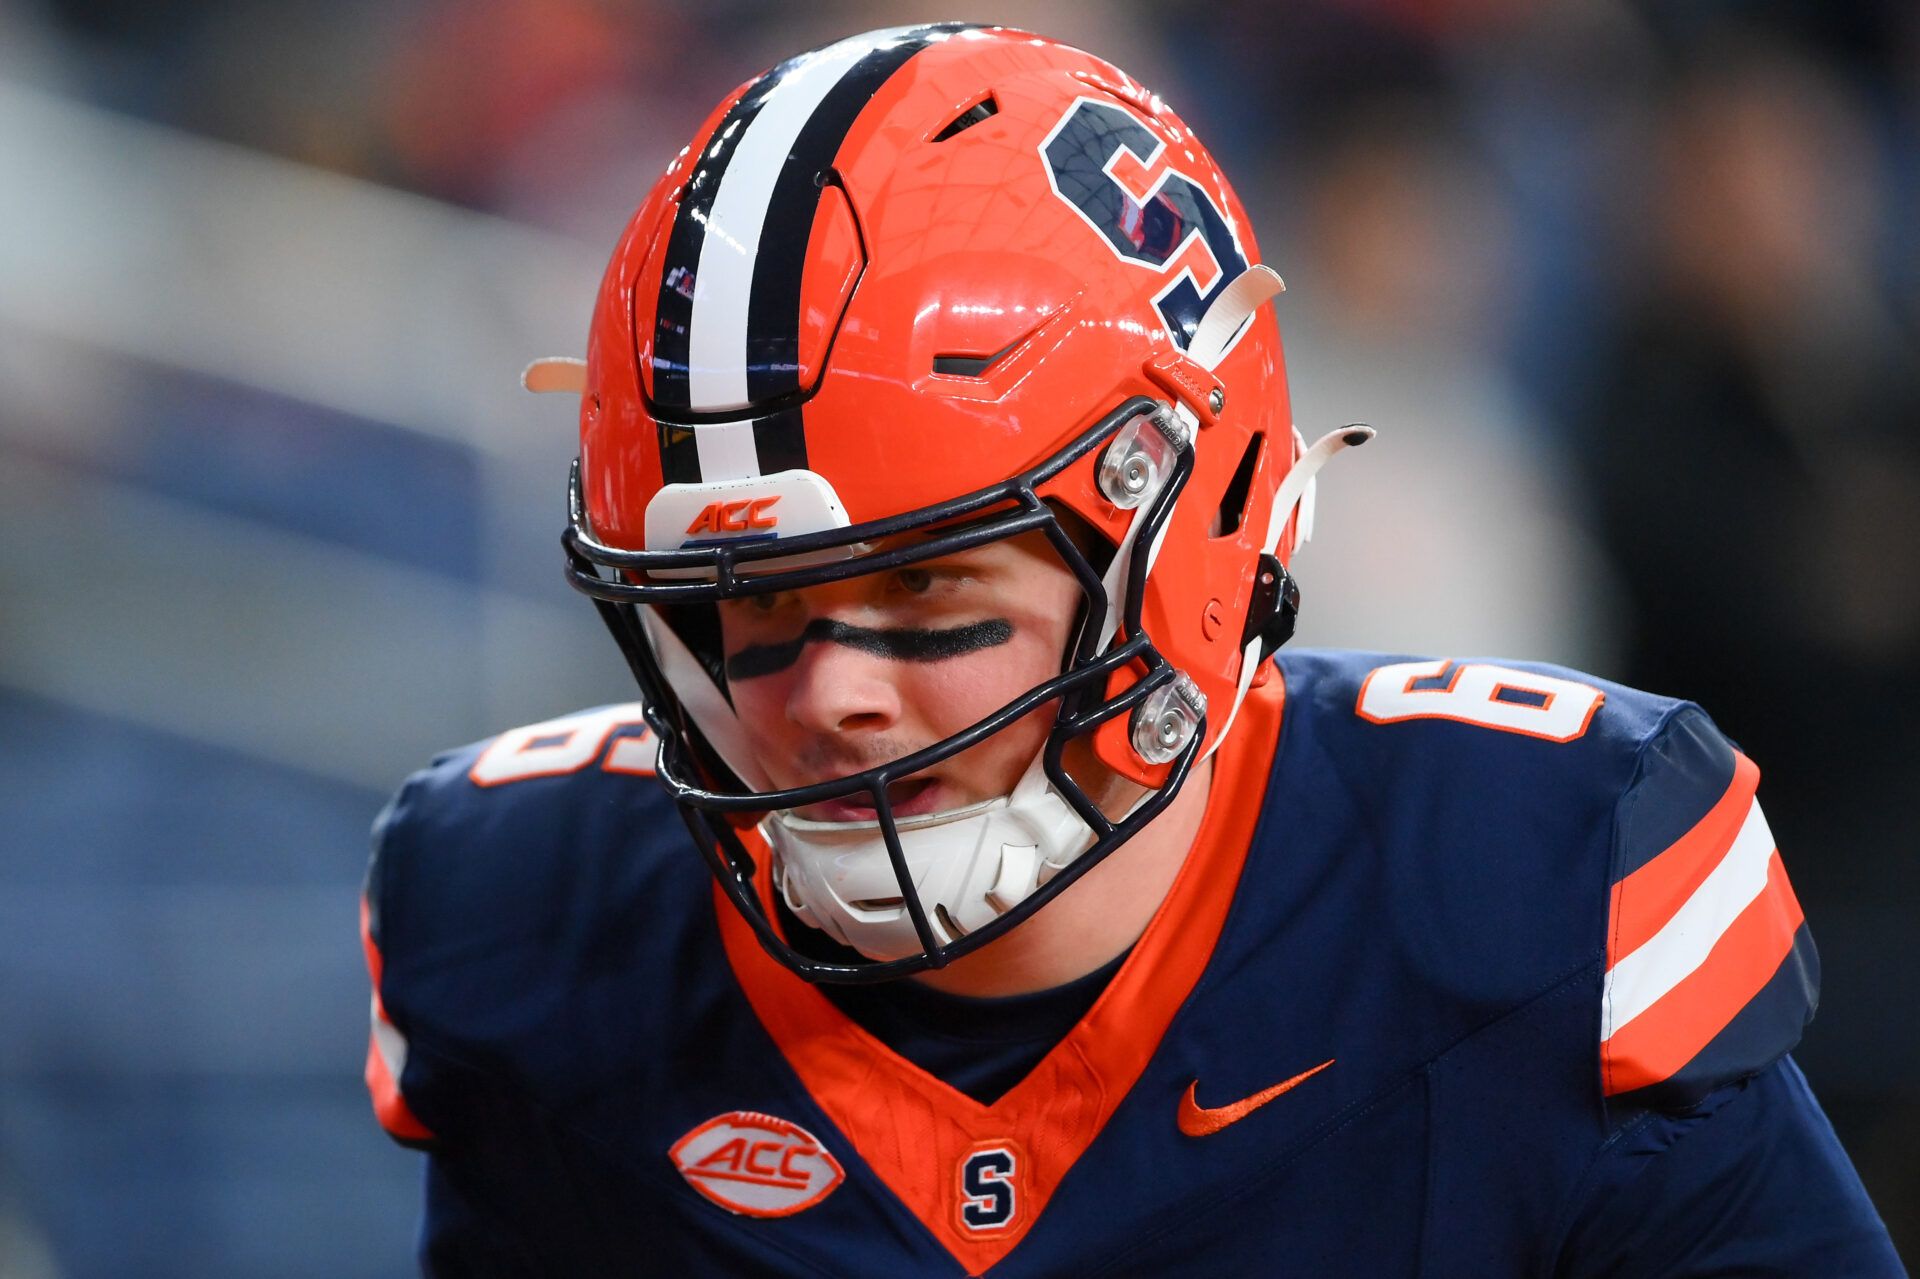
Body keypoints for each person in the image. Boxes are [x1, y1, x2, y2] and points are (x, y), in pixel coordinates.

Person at [359, 24, 1903, 1276]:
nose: (829, 691)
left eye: (928, 600)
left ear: (1192, 540)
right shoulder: (524, 914)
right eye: (743, 611)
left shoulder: (1534, 880)